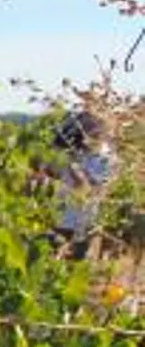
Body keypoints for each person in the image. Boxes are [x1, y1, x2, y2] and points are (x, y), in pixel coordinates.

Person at [51, 109, 116, 259]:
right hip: (60, 215)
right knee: (52, 258)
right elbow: (53, 171)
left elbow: (89, 186)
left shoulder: (104, 157)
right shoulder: (73, 150)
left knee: (77, 259)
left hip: (84, 219)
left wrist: (74, 168)